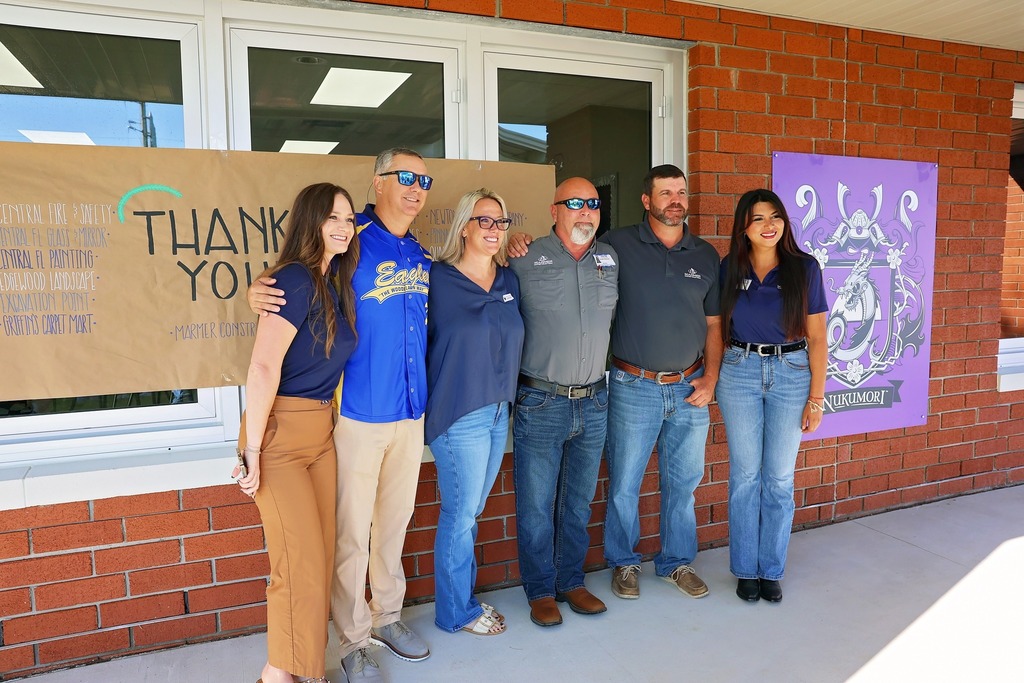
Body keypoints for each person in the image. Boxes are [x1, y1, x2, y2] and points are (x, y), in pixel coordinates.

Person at [248, 149, 432, 682]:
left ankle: (389, 616)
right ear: (379, 183)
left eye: (424, 179)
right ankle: (353, 640)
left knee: (393, 525)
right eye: (406, 177)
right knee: (350, 534)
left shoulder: (418, 253)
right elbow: (294, 285)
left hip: (408, 410)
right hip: (353, 414)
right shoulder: (354, 243)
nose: (417, 187)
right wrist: (255, 290)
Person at [234, 182, 358, 683]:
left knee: (320, 558)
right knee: (298, 563)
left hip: (320, 433)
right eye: (333, 217)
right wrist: (251, 449)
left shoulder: (331, 281)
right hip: (280, 434)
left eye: (349, 219)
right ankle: (278, 675)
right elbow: (262, 367)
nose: (344, 227)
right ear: (310, 220)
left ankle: (306, 668)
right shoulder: (295, 279)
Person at [509, 177, 618, 627]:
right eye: (574, 203)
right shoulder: (523, 257)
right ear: (553, 210)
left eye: (592, 204)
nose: (585, 212)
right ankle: (540, 589)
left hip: (593, 401)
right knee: (536, 504)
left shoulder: (610, 260)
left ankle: (571, 581)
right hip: (542, 401)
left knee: (577, 503)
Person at [717, 188, 827, 603]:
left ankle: (771, 569)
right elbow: (716, 327)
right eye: (759, 218)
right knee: (745, 477)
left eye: (775, 216)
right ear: (744, 227)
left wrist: (817, 398)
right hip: (739, 372)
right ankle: (746, 569)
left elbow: (818, 338)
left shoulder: (804, 268)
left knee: (779, 479)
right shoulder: (730, 267)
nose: (769, 225)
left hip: (792, 373)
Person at [426, 189, 524, 636]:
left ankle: (459, 598)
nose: (494, 230)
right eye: (484, 221)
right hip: (457, 413)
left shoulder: (509, 279)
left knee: (471, 510)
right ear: (464, 226)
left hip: (497, 411)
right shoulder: (436, 279)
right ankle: (456, 612)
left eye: (500, 222)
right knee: (461, 514)